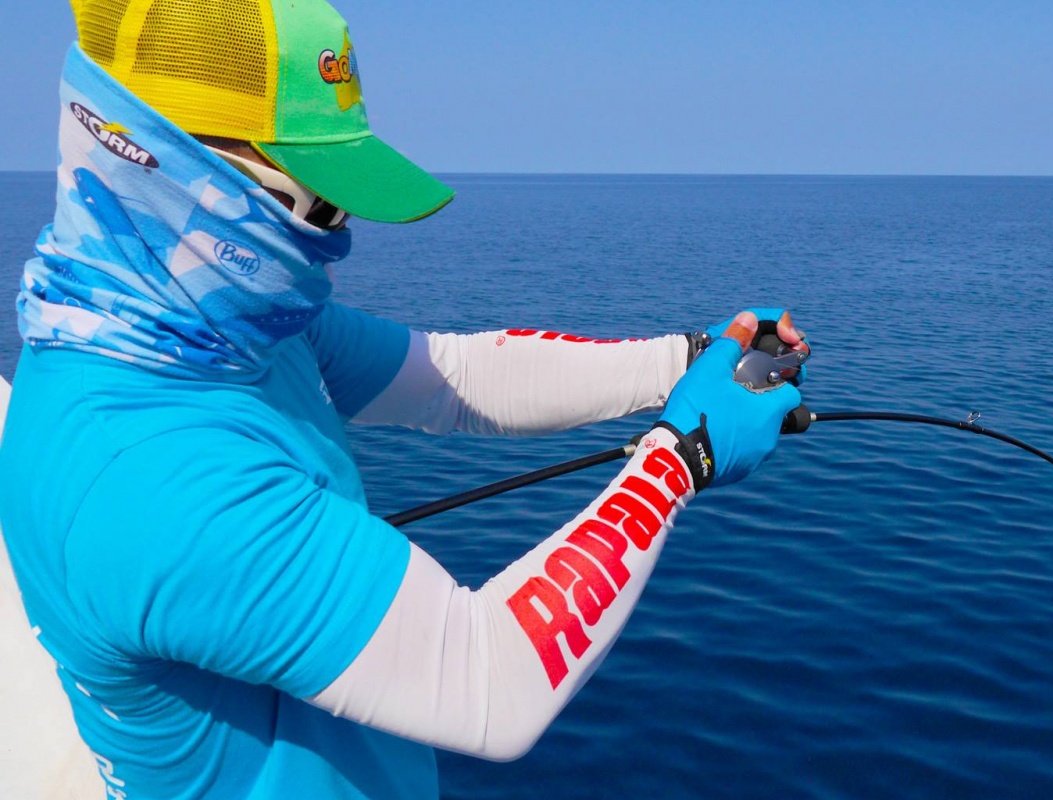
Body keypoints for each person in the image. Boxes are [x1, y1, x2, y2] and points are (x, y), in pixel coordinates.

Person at [0, 1, 808, 797]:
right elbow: (493, 680)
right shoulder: (147, 484)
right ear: (168, 168)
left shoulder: (210, 329)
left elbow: (450, 377)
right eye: (316, 205)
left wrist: (688, 361)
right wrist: (683, 456)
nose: (336, 241)